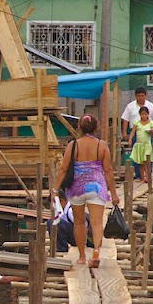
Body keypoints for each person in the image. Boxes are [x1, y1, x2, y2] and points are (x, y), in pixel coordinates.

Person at [53, 114, 116, 269]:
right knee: (96, 223)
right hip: (96, 186)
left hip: (77, 188)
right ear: (96, 128)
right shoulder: (102, 145)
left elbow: (63, 168)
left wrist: (55, 189)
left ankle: (81, 256)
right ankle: (96, 251)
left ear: (79, 128)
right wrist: (113, 193)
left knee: (79, 223)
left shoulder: (73, 145)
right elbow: (107, 170)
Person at [129, 103, 153, 184]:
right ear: (140, 115)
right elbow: (132, 132)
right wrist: (130, 139)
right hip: (139, 144)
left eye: (145, 114)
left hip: (147, 144)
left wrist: (152, 132)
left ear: (148, 114)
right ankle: (142, 178)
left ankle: (148, 177)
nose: (144, 116)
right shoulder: (136, 123)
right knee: (140, 162)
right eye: (142, 114)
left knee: (146, 161)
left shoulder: (151, 123)